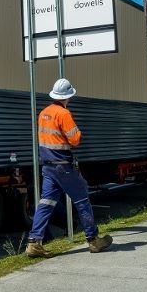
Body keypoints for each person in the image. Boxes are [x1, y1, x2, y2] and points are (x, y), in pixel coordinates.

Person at [25, 78, 113, 258]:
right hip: (63, 167)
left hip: (48, 166)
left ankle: (34, 243)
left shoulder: (44, 112)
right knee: (82, 200)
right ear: (67, 97)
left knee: (46, 203)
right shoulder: (64, 114)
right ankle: (94, 240)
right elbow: (75, 139)